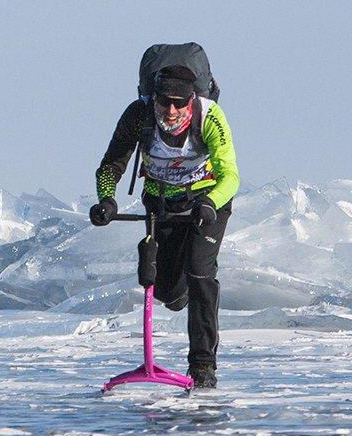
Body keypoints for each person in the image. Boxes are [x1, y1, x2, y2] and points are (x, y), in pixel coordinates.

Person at [87, 65, 239, 389]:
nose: (170, 111)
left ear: (191, 100)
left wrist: (210, 203)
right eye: (163, 102)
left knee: (200, 274)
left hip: (206, 203)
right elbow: (111, 164)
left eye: (178, 103)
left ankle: (203, 367)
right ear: (153, 98)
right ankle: (178, 290)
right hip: (161, 202)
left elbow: (230, 176)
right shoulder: (138, 115)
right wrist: (106, 201)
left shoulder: (209, 118)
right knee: (168, 289)